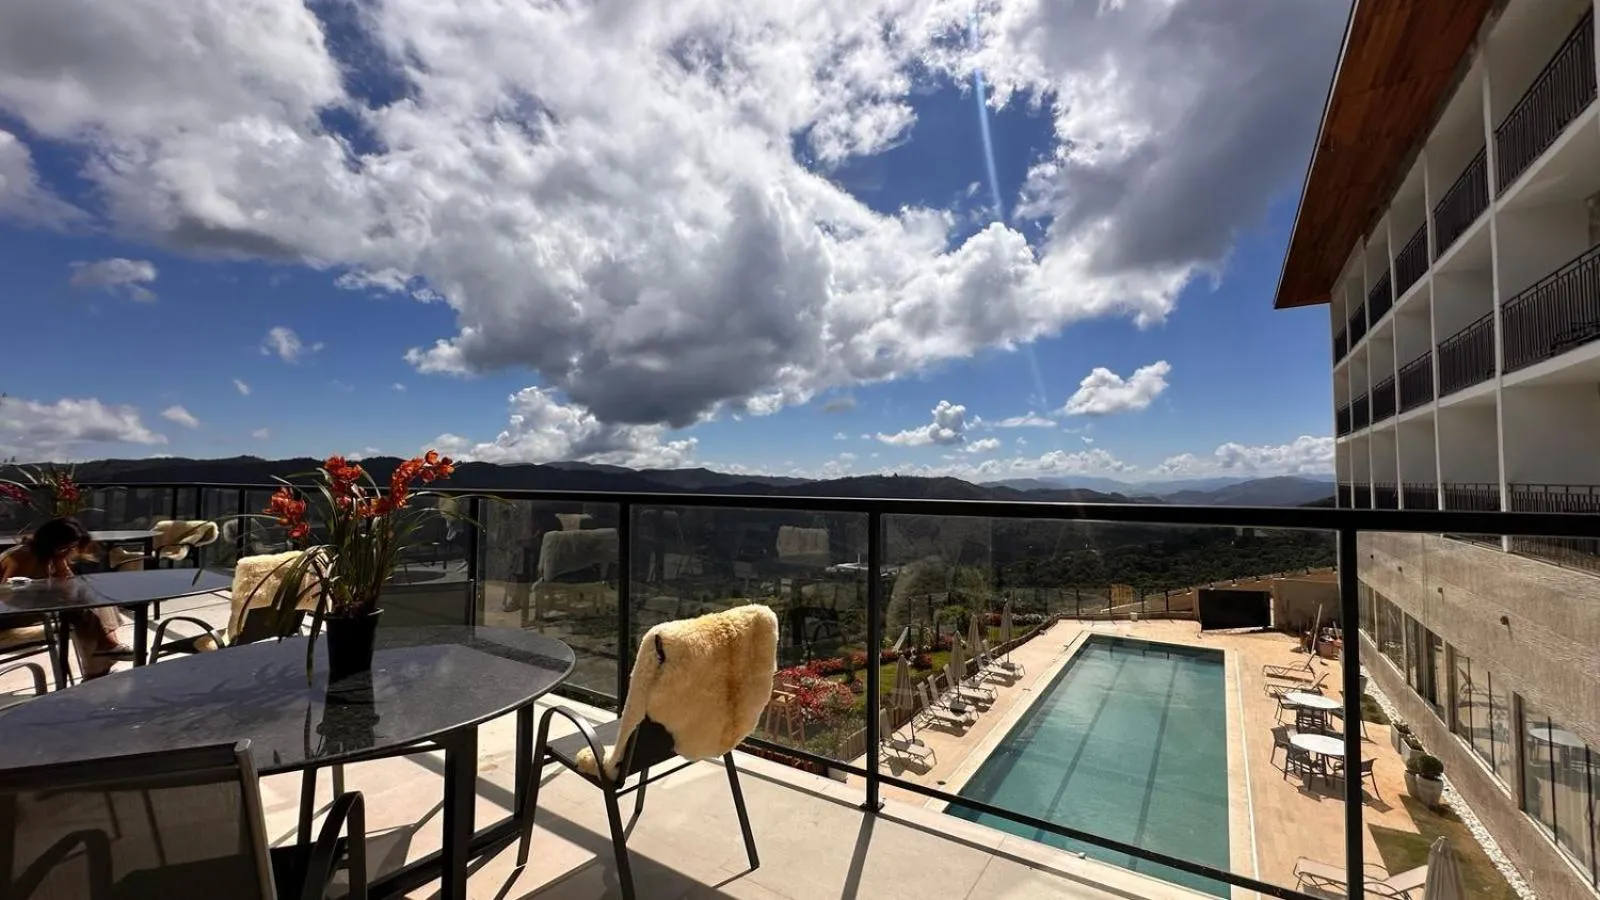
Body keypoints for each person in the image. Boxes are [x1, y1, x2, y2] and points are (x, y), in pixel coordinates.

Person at [0, 517, 135, 679]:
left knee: (92, 598)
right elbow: (8, 596)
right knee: (79, 609)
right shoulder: (23, 556)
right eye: (65, 547)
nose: (68, 551)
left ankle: (107, 651)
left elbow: (69, 585)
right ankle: (104, 656)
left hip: (27, 609)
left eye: (71, 547)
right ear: (52, 542)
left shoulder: (50, 555)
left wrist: (59, 562)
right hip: (7, 615)